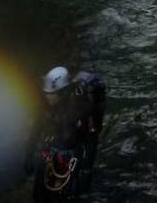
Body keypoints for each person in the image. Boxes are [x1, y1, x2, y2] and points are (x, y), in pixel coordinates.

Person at [30, 67, 106, 201]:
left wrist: (86, 171)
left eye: (51, 93)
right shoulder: (48, 105)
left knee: (67, 194)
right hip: (55, 148)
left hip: (72, 153)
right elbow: (38, 125)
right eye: (46, 92)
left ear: (62, 93)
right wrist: (29, 153)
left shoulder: (79, 106)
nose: (47, 96)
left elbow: (91, 138)